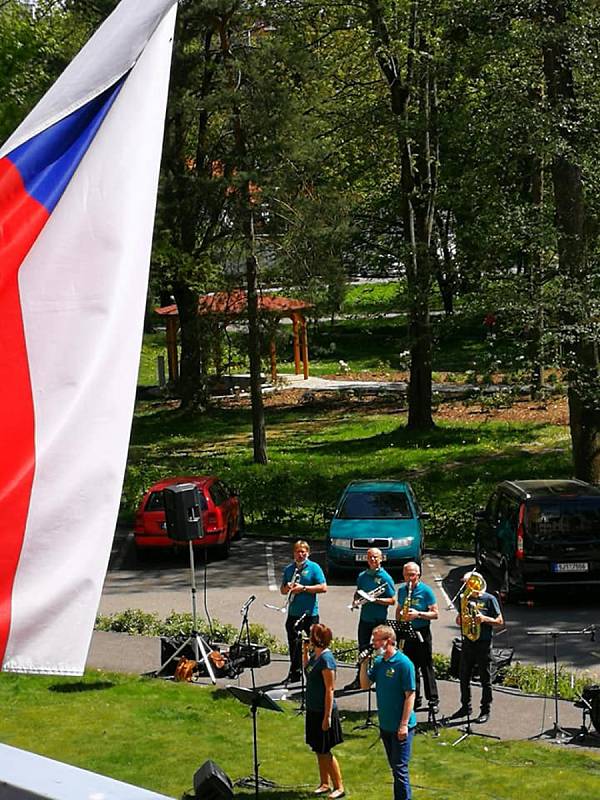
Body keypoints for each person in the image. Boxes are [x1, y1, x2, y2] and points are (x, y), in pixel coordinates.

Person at [359, 624, 416, 800]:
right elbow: (365, 685)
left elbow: (410, 695)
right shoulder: (379, 662)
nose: (373, 644)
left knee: (400, 770)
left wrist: (404, 725)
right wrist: (363, 664)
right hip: (386, 725)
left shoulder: (404, 664)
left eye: (376, 640)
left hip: (401, 726)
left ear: (389, 641)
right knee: (395, 767)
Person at [450, 571, 504, 724]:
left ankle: (485, 709)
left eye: (468, 583)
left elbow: (499, 621)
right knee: (464, 676)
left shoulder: (489, 599)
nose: (466, 586)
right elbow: (459, 619)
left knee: (485, 678)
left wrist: (484, 619)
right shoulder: (465, 599)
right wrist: (460, 619)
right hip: (468, 641)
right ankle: (465, 706)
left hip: (483, 643)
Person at [303, 623, 345, 799]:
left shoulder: (327, 660)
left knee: (325, 750)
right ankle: (324, 783)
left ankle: (339, 787)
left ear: (317, 639)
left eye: (310, 635)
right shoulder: (315, 656)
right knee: (317, 749)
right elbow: (307, 670)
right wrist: (304, 651)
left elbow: (330, 689)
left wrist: (327, 717)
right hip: (313, 708)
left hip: (323, 711)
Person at [344, 548, 395, 690]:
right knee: (363, 650)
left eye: (375, 557)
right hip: (365, 619)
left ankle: (380, 680)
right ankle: (360, 679)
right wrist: (355, 601)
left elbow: (392, 600)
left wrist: (376, 600)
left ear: (381, 559)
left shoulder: (385, 577)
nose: (373, 560)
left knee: (380, 651)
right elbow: (358, 592)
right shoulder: (362, 576)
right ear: (367, 559)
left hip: (379, 621)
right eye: (370, 557)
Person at [281, 540, 327, 683]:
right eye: (297, 552)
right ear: (294, 553)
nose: (300, 555)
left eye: (303, 552)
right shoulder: (289, 569)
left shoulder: (314, 568)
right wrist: (287, 587)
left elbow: (323, 587)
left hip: (310, 613)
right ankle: (295, 673)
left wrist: (304, 588)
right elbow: (282, 590)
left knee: (314, 644)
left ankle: (315, 674)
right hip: (294, 612)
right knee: (294, 644)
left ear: (308, 553)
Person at [395, 561, 439, 712]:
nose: (410, 578)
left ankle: (433, 699)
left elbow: (435, 613)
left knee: (426, 666)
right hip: (408, 632)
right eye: (407, 575)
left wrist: (418, 614)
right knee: (411, 668)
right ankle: (415, 698)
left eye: (412, 575)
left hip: (422, 632)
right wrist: (400, 622)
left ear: (418, 575)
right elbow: (399, 608)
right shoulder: (402, 591)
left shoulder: (426, 591)